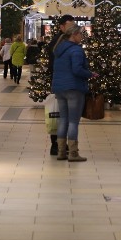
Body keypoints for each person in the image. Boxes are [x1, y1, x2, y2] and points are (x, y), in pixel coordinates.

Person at [52, 24, 96, 162]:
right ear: (74, 35)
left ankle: (61, 152)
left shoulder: (59, 49)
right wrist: (90, 74)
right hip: (74, 88)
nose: (82, 37)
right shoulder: (76, 50)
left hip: (59, 88)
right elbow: (77, 70)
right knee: (73, 122)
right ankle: (73, 153)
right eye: (81, 34)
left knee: (63, 120)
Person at [46, 15, 76, 155]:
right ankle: (57, 145)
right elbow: (53, 64)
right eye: (69, 26)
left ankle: (61, 145)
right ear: (62, 27)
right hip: (61, 82)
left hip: (64, 82)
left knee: (64, 115)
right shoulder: (58, 42)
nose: (72, 29)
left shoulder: (69, 40)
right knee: (60, 115)